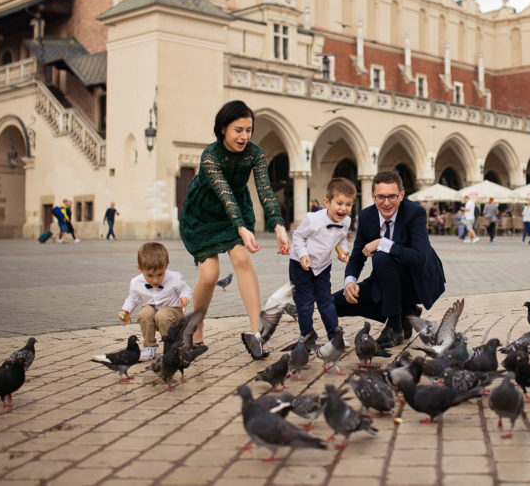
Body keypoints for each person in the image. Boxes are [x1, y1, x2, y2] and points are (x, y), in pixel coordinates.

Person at [179, 100, 290, 361]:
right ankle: (196, 326)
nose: (244, 136)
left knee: (242, 259)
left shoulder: (256, 154)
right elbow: (224, 193)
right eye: (238, 130)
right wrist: (241, 227)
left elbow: (264, 189)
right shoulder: (210, 155)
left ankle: (255, 334)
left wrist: (278, 225)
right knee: (210, 275)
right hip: (203, 215)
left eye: (249, 130)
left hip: (236, 211)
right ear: (222, 129)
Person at [332, 170, 445, 347]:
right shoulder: (366, 216)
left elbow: (419, 257)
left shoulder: (415, 213)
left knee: (381, 258)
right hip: (386, 281)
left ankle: (394, 327)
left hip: (417, 280)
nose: (386, 203)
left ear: (402, 195)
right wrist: (349, 281)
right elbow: (356, 258)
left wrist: (381, 243)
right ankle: (405, 313)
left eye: (392, 196)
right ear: (373, 196)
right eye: (381, 197)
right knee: (333, 304)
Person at [289, 177, 355, 343]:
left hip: (323, 265)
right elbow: (298, 237)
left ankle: (334, 335)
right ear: (327, 202)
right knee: (305, 303)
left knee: (326, 301)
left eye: (348, 204)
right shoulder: (313, 220)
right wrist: (303, 255)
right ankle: (307, 336)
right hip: (300, 265)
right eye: (339, 203)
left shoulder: (346, 221)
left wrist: (343, 252)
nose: (343, 208)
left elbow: (341, 239)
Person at [118, 242, 192, 361]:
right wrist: (126, 310)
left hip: (173, 311)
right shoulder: (136, 282)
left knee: (162, 314)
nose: (155, 280)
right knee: (144, 313)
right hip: (153, 311)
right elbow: (132, 298)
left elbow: (185, 289)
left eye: (160, 274)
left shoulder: (175, 277)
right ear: (139, 269)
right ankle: (149, 347)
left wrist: (184, 296)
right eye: (150, 276)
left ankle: (172, 347)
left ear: (166, 265)